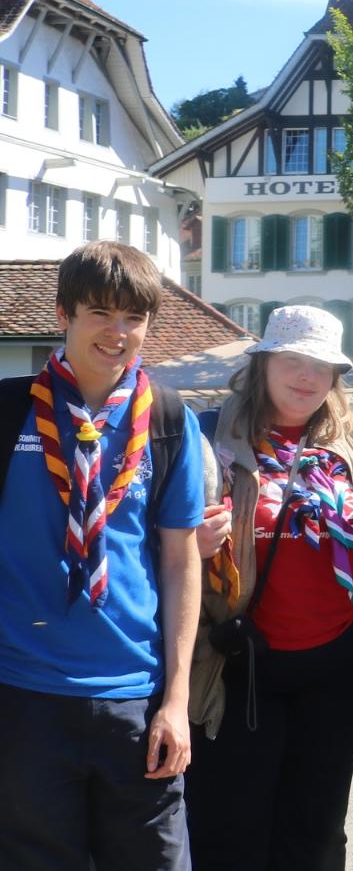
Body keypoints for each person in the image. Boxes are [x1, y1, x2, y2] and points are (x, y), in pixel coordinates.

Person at [0, 241, 204, 871]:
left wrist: (176, 701)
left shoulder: (168, 420)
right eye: (100, 314)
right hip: (22, 693)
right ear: (64, 313)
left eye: (133, 318)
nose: (118, 333)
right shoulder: (8, 411)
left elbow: (181, 562)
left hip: (135, 698)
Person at [185, 305, 353, 870]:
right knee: (228, 829)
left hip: (341, 669)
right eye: (292, 360)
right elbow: (152, 535)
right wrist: (189, 545)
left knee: (317, 830)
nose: (306, 376)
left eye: (321, 366)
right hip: (238, 664)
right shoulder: (208, 438)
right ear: (261, 364)